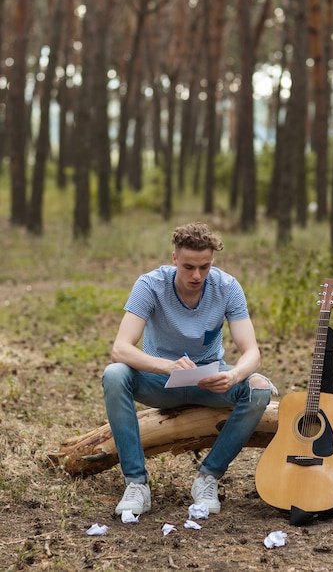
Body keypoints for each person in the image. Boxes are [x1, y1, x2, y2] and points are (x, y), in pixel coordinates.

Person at [102, 221, 275, 518]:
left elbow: (252, 352)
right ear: (174, 259)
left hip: (209, 381)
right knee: (114, 373)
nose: (197, 275)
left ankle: (208, 477)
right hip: (159, 380)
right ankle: (136, 484)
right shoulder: (149, 285)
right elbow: (121, 349)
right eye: (188, 267)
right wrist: (167, 366)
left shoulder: (228, 287)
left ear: (212, 261)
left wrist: (234, 375)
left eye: (204, 267)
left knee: (258, 386)